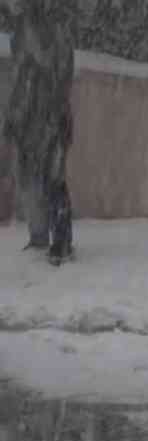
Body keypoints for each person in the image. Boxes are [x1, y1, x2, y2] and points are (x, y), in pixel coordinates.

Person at [3, 0, 75, 265]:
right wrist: (13, 115)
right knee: (32, 177)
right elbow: (19, 78)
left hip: (50, 117)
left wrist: (51, 112)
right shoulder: (22, 31)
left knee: (53, 178)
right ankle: (40, 235)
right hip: (31, 118)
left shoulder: (50, 29)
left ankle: (62, 242)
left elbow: (54, 71)